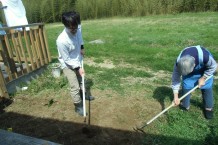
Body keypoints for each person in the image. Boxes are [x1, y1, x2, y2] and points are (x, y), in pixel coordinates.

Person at [56, 11, 94, 116]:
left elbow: (80, 39)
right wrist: (78, 68)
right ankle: (78, 106)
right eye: (71, 28)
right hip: (67, 64)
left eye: (76, 27)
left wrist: (82, 48)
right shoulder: (62, 40)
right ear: (65, 25)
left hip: (77, 59)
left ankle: (85, 95)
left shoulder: (77, 29)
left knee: (82, 80)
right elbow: (67, 59)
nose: (74, 30)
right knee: (75, 86)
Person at [172, 45, 217, 119]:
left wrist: (203, 78)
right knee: (187, 85)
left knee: (207, 86)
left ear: (194, 65)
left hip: (205, 68)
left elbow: (213, 66)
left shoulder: (205, 56)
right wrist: (176, 97)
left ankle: (208, 108)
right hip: (188, 68)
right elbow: (175, 79)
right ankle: (185, 105)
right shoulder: (178, 63)